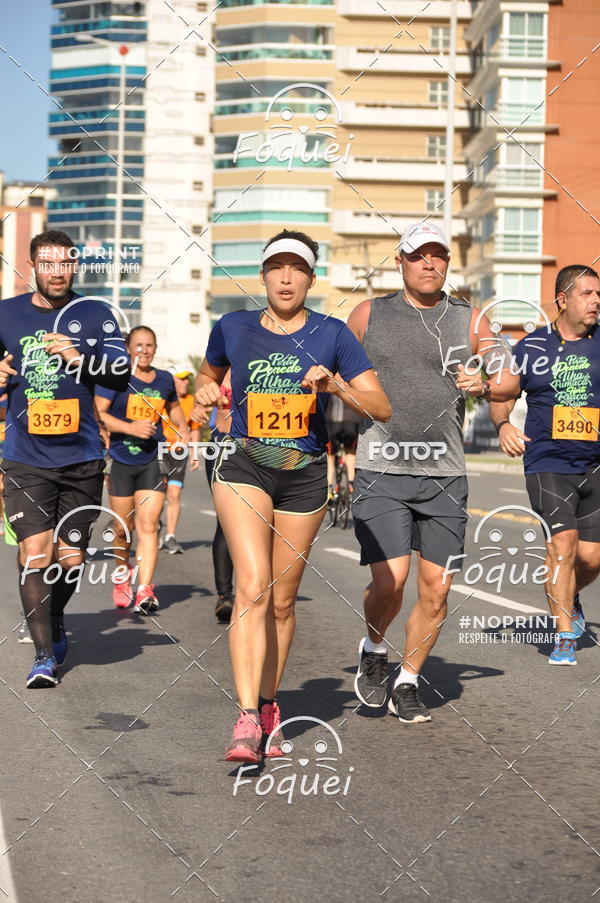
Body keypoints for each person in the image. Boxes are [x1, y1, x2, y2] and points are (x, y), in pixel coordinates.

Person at [193, 228, 390, 763]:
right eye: (276, 267)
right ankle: (246, 719)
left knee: (281, 601)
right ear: (262, 275)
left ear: (311, 277)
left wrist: (337, 388)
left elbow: (381, 407)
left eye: (297, 268)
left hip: (304, 471)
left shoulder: (333, 335)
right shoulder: (231, 327)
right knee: (253, 587)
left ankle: (270, 702)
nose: (286, 277)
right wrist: (205, 391)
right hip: (242, 462)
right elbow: (206, 377)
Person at [347, 220, 510, 723]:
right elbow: (331, 364)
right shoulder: (369, 313)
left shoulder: (469, 317)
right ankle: (374, 649)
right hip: (381, 467)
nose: (430, 264)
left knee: (438, 588)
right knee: (391, 581)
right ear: (401, 261)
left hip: (445, 473)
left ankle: (409, 680)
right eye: (419, 256)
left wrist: (483, 379)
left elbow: (503, 368)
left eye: (438, 256)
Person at [0, 229, 131, 688]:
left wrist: (80, 358)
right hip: (25, 457)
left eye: (64, 264)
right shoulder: (6, 314)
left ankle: (52, 618)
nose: (56, 272)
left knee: (70, 558)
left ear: (74, 266)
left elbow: (121, 374)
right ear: (33, 266)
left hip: (82, 457)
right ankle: (43, 657)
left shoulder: (96, 315)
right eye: (47, 263)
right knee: (36, 553)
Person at [490, 264, 600, 665]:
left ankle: (568, 593)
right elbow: (503, 393)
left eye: (597, 294)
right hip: (548, 462)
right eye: (587, 293)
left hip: (595, 463)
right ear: (563, 300)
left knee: (591, 558)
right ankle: (563, 635)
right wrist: (502, 424)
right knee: (563, 547)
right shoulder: (531, 347)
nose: (596, 301)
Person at [95, 326, 189, 614]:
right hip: (121, 461)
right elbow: (98, 412)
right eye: (139, 345)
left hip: (152, 460)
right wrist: (129, 427)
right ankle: (122, 575)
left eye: (149, 345)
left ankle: (145, 590)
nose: (144, 350)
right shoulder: (116, 378)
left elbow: (175, 415)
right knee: (123, 530)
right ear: (128, 347)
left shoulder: (164, 380)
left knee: (150, 525)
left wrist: (182, 435)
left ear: (156, 349)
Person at [204, 372, 235, 623]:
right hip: (223, 446)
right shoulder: (217, 370)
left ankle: (260, 589)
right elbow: (197, 401)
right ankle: (225, 595)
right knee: (226, 521)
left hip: (263, 447)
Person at [159, 365, 201, 554]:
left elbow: (194, 429)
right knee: (158, 496)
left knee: (174, 493)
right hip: (159, 451)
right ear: (172, 380)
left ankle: (171, 536)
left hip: (178, 453)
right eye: (181, 379)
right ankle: (154, 526)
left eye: (187, 379)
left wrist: (195, 454)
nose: (185, 382)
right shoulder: (161, 397)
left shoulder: (191, 401)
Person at [326, 391, 362, 499]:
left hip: (332, 421)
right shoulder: (353, 381)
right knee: (350, 452)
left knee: (330, 456)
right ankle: (351, 484)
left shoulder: (330, 381)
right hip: (352, 421)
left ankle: (329, 488)